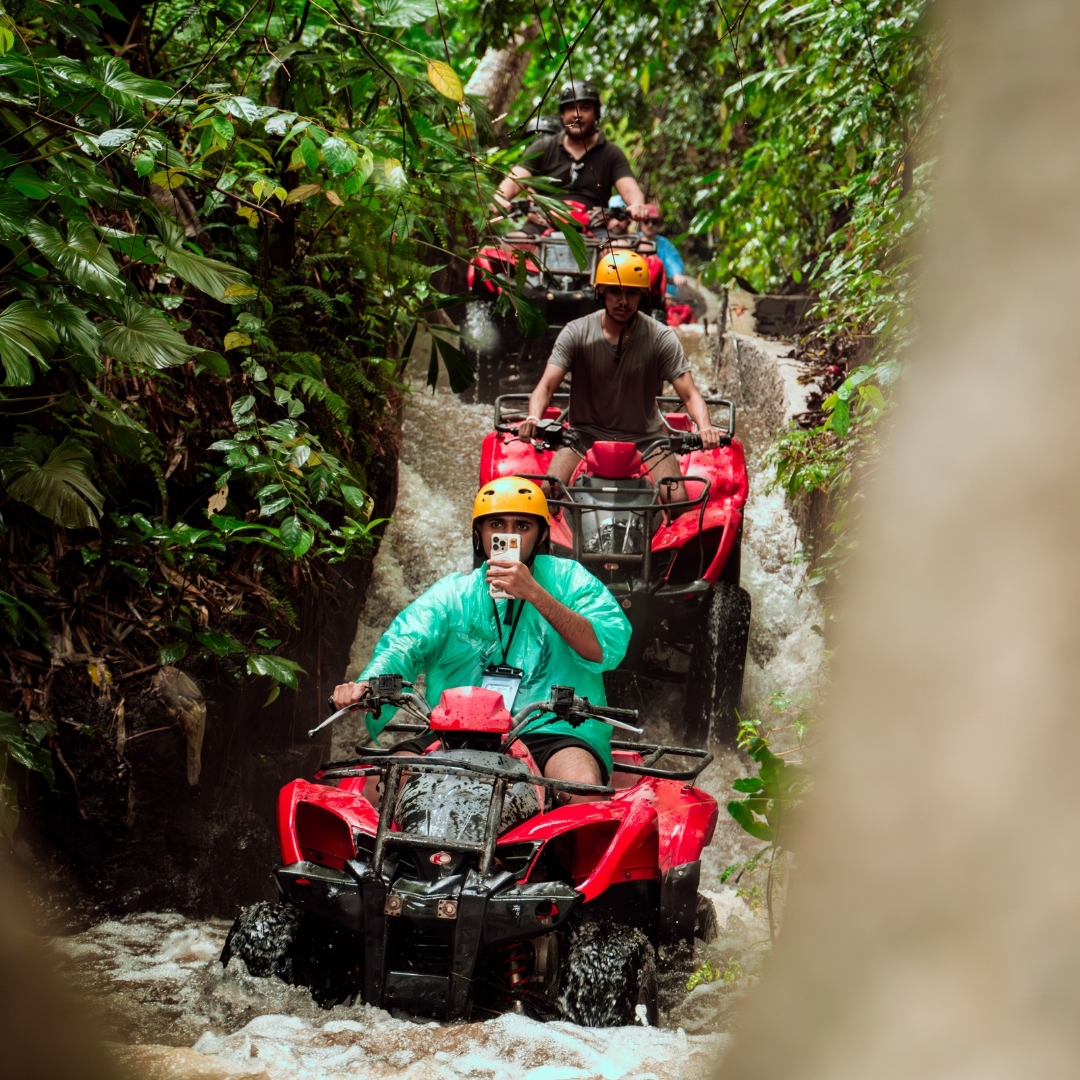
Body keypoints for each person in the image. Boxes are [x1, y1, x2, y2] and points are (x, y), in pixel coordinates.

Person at [332, 477, 632, 790]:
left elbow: (604, 647)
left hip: (553, 728)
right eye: (497, 524)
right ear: (480, 533)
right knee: (380, 785)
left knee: (581, 786)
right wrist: (368, 682)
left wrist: (535, 593)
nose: (509, 535)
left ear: (542, 534)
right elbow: (406, 642)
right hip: (458, 728)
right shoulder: (453, 593)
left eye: (522, 526)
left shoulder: (571, 580)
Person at [516, 250, 723, 500]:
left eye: (631, 293)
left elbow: (690, 395)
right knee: (548, 492)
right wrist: (533, 418)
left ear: (642, 296)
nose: (622, 300)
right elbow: (546, 388)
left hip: (647, 439)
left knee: (676, 500)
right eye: (615, 291)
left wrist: (705, 428)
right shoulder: (576, 332)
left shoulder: (661, 337)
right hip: (584, 436)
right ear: (601, 292)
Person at [495, 78, 648, 223]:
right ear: (562, 115)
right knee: (504, 248)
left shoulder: (611, 153)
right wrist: (499, 198)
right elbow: (515, 181)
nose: (576, 114)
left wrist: (637, 205)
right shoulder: (543, 147)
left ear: (596, 114)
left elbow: (629, 189)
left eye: (585, 108)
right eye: (570, 108)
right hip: (541, 226)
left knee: (621, 250)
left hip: (596, 231)